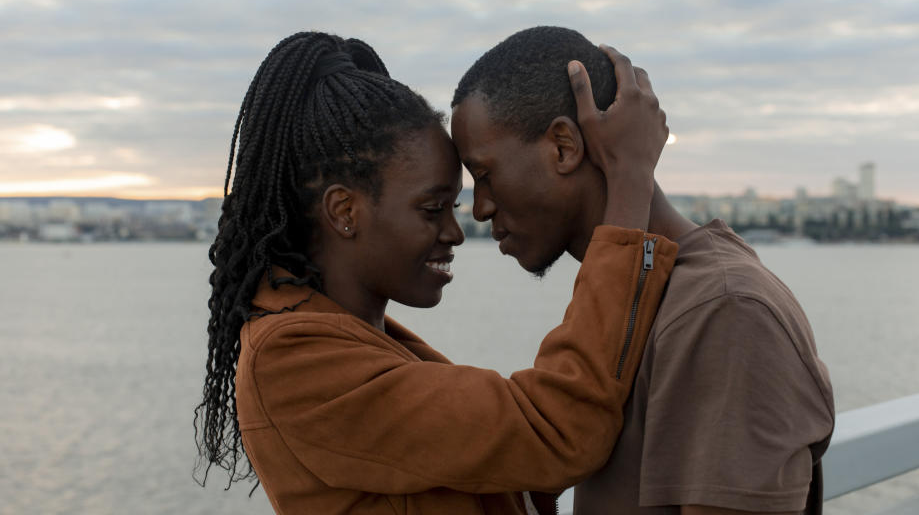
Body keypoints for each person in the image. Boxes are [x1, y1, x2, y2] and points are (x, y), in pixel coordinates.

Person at [193, 30, 680, 515]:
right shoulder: (293, 360)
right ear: (345, 210)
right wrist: (630, 176)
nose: (457, 231)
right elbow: (556, 429)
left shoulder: (355, 340)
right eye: (432, 209)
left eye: (455, 204)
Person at [451, 26, 835, 515]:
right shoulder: (643, 296)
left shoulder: (723, 309)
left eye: (484, 175)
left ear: (564, 148)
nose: (479, 208)